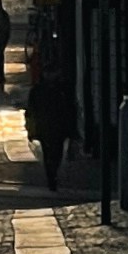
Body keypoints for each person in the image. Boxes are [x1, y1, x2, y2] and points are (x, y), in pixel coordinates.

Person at [27, 50, 77, 192]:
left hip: (57, 127)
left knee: (56, 154)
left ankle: (52, 175)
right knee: (50, 153)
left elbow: (70, 110)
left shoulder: (60, 89)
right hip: (46, 127)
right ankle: (51, 177)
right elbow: (31, 111)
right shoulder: (41, 91)